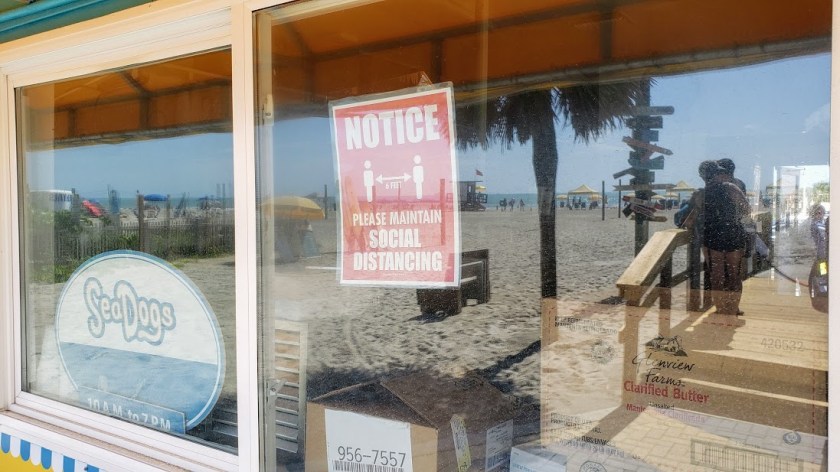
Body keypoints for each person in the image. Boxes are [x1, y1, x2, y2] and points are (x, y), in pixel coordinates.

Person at [704, 163, 751, 315]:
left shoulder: (704, 192)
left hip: (712, 235)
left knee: (717, 276)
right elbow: (747, 209)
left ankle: (720, 309)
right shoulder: (731, 188)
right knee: (734, 275)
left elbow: (692, 217)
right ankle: (733, 308)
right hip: (732, 233)